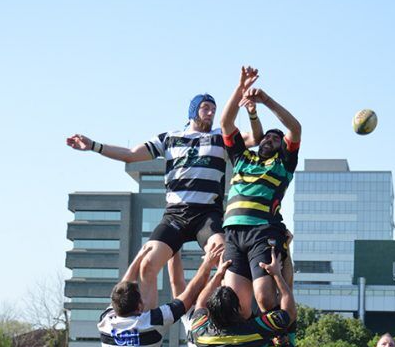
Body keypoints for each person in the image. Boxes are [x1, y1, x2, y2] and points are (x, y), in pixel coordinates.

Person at [66, 79, 262, 310]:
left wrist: (251, 112)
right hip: (175, 215)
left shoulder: (220, 137)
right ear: (193, 111)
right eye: (205, 108)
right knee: (147, 265)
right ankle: (151, 324)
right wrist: (93, 146)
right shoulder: (169, 138)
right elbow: (130, 154)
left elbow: (256, 139)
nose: (210, 113)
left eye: (213, 109)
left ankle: (228, 315)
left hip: (207, 215)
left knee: (224, 258)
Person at [220, 69, 301, 318]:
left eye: (277, 139)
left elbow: (295, 127)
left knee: (265, 298)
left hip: (262, 230)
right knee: (235, 304)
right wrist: (240, 87)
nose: (270, 140)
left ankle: (280, 337)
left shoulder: (282, 164)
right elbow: (226, 123)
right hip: (233, 232)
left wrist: (266, 100)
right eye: (267, 137)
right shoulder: (243, 157)